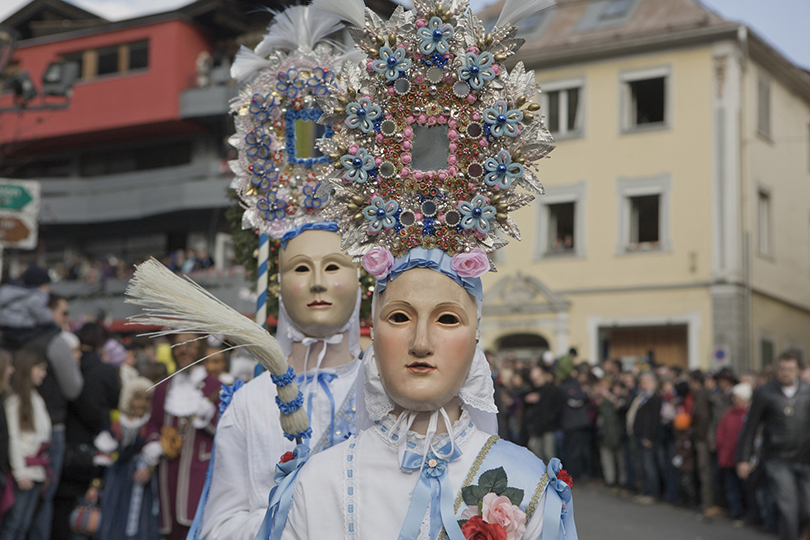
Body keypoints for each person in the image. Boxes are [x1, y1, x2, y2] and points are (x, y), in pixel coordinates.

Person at [273, 0, 573, 535]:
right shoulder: (319, 484)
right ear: (371, 326)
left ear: (477, 335)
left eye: (448, 319)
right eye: (399, 317)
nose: (420, 343)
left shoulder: (529, 485)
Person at [192, 7, 365, 539]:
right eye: (301, 268)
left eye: (334, 265)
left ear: (362, 277)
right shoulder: (250, 403)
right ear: (276, 280)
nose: (316, 282)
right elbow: (219, 523)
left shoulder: (387, 386)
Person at [144, 334, 220, 540]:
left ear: (201, 348)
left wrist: (211, 417)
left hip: (201, 471)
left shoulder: (216, 387)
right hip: (169, 472)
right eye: (178, 346)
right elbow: (153, 423)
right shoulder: (163, 388)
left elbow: (229, 431)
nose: (184, 351)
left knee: (199, 526)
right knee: (170, 531)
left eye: (191, 345)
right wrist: (153, 444)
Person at [52, 322, 121, 540]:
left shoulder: (69, 366)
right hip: (93, 448)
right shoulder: (105, 370)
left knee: (60, 509)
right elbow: (116, 401)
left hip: (65, 443)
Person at [737, 351, 810, 540]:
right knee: (788, 508)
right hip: (777, 459)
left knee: (807, 508)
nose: (786, 373)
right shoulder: (765, 392)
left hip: (804, 459)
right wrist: (744, 458)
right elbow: (750, 428)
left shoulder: (807, 392)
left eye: (790, 369)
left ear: (798, 370)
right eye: (783, 369)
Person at [96, 377, 159, 540]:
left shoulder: (150, 428)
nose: (142, 403)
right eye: (138, 397)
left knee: (141, 524)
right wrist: (95, 485)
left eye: (147, 399)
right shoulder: (116, 426)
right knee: (113, 520)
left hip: (142, 480)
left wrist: (150, 469)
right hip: (117, 479)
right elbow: (103, 458)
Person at [0, 349, 51, 540]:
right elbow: (12, 438)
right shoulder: (14, 400)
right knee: (13, 526)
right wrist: (20, 472)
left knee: (23, 527)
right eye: (39, 368)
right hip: (23, 472)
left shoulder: (36, 398)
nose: (43, 373)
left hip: (37, 471)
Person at [715, 382, 751, 525]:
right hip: (728, 455)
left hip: (743, 456)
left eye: (738, 397)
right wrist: (721, 445)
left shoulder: (749, 414)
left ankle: (746, 513)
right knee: (731, 486)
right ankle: (735, 511)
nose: (735, 400)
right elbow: (721, 431)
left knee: (744, 487)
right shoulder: (729, 413)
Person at [627, 371, 661, 504]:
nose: (642, 384)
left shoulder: (654, 399)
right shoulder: (642, 398)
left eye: (645, 382)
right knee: (641, 465)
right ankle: (645, 491)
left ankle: (652, 493)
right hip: (639, 436)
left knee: (649, 465)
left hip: (647, 437)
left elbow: (654, 420)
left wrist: (649, 437)